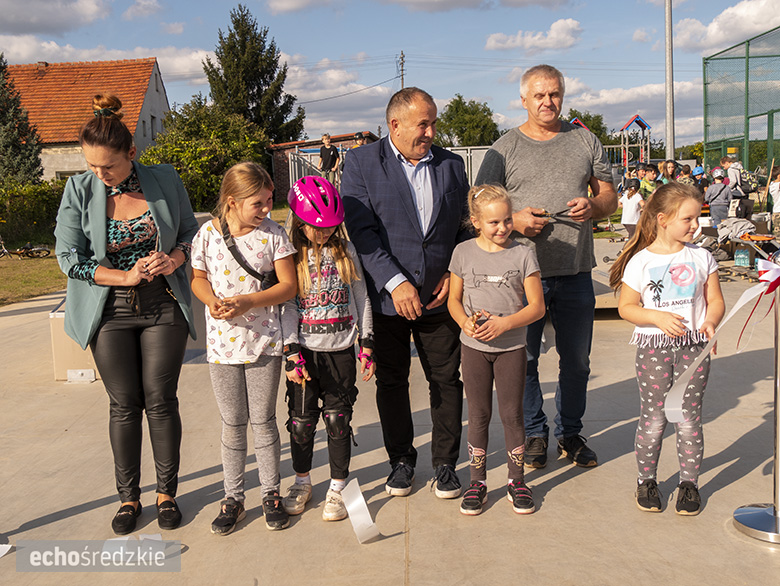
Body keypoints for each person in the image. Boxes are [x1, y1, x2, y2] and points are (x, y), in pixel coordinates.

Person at [54, 94, 198, 535]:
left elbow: (192, 234)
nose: (99, 175)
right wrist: (123, 277)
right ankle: (128, 498)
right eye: (92, 166)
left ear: (131, 154)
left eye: (109, 166)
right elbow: (67, 257)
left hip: (162, 307)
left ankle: (166, 493)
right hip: (109, 310)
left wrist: (174, 259)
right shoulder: (79, 190)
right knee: (123, 405)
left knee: (160, 400)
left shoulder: (165, 179)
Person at [475, 64, 617, 469]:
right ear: (523, 100)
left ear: (563, 95)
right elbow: (479, 201)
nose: (547, 102)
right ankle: (535, 433)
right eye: (538, 95)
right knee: (527, 360)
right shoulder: (504, 148)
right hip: (520, 277)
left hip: (574, 271)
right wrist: (515, 218)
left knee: (577, 361)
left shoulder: (585, 141)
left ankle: (570, 433)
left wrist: (595, 205)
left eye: (554, 94)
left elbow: (609, 196)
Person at [341, 87, 470, 499]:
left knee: (446, 380)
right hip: (387, 300)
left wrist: (454, 272)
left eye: (434, 122)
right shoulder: (361, 163)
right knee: (392, 381)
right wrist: (395, 283)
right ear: (395, 125)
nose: (432, 131)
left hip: (438, 297)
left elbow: (463, 228)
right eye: (424, 123)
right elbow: (362, 232)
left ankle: (446, 464)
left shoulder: (451, 165)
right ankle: (401, 460)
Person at [190, 162, 297, 534]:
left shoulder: (274, 235)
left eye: (269, 201)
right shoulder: (206, 235)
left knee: (263, 421)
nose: (267, 209)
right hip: (222, 347)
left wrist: (250, 302)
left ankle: (271, 492)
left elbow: (289, 286)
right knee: (233, 423)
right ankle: (233, 497)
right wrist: (210, 301)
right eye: (259, 203)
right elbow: (198, 278)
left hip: (263, 342)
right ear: (232, 202)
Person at [608, 182, 725, 515]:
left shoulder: (703, 256)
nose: (695, 225)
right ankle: (647, 480)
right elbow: (626, 307)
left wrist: (710, 321)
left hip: (693, 348)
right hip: (654, 349)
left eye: (697, 217)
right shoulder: (640, 262)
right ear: (662, 219)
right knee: (654, 418)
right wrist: (655, 317)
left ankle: (689, 484)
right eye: (687, 219)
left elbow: (714, 300)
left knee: (688, 419)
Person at [280, 176, 375, 522]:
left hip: (341, 351)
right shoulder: (292, 257)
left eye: (330, 228)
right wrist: (291, 351)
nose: (323, 234)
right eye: (316, 228)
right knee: (301, 423)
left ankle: (338, 486)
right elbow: (288, 306)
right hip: (305, 353)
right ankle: (302, 481)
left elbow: (362, 298)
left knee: (338, 420)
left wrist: (367, 343)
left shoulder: (345, 251)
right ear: (298, 222)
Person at [447, 185, 545, 516]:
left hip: (512, 347)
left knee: (512, 414)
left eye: (506, 221)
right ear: (476, 221)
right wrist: (464, 322)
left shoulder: (523, 254)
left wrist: (505, 324)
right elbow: (453, 300)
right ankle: (477, 482)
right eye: (493, 223)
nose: (502, 228)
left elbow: (537, 307)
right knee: (478, 415)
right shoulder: (462, 252)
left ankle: (516, 480)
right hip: (473, 348)